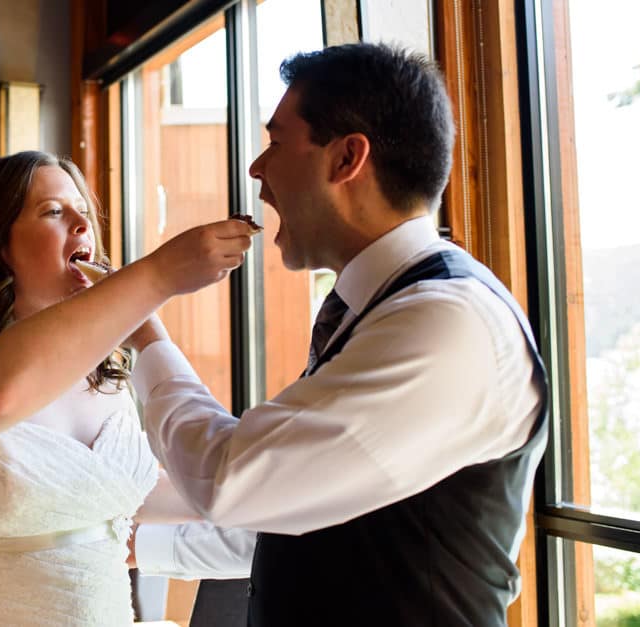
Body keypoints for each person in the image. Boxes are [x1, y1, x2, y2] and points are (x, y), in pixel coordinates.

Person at [126, 42, 549, 626]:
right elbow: (304, 512)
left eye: (275, 143)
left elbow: (235, 480)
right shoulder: (368, 308)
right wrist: (140, 548)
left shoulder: (444, 323)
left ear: (347, 157)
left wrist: (147, 339)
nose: (256, 169)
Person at [0, 151, 256, 626]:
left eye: (82, 211)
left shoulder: (106, 373)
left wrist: (245, 491)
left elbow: (116, 491)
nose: (82, 224)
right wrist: (158, 275)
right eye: (54, 211)